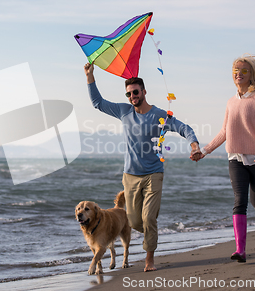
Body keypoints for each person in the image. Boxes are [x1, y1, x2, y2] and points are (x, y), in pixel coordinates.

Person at [84, 62, 201, 272]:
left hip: (154, 174)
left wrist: (194, 144)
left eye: (135, 92)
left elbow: (183, 127)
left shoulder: (159, 114)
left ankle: (149, 260)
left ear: (144, 91)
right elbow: (97, 103)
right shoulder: (124, 111)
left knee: (148, 219)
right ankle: (150, 225)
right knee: (136, 222)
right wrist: (90, 76)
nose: (132, 97)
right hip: (130, 176)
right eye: (128, 94)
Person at [192, 54, 255, 263]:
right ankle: (240, 250)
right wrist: (204, 151)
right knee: (239, 201)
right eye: (236, 71)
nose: (239, 74)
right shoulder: (231, 102)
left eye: (244, 71)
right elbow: (224, 131)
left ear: (251, 75)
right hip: (236, 157)